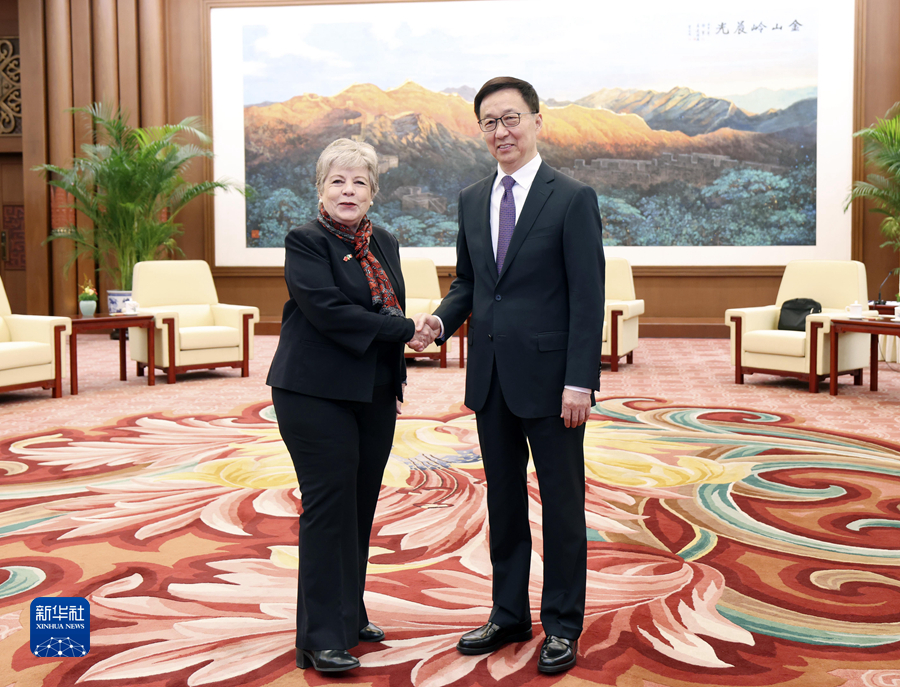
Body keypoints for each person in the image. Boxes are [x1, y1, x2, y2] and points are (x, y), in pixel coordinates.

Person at [415, 76, 605, 674]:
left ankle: (563, 625)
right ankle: (508, 613)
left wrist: (581, 380)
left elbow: (588, 297)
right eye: (490, 122)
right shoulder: (473, 198)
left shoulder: (571, 197)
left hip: (554, 385)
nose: (502, 131)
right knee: (502, 503)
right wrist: (440, 323)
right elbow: (469, 283)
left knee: (563, 507)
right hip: (491, 378)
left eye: (511, 118)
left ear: (537, 121)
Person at [267, 138, 431, 673]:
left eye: (359, 181)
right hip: (313, 393)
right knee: (329, 508)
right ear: (320, 189)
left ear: (373, 192)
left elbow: (391, 307)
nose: (348, 190)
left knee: (359, 507)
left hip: (373, 393)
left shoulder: (384, 241)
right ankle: (319, 639)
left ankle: (348, 614)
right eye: (337, 180)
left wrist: (398, 360)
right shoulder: (305, 241)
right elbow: (329, 311)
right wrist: (407, 331)